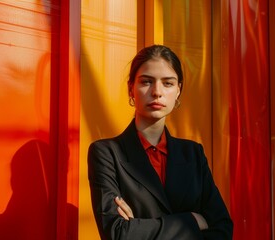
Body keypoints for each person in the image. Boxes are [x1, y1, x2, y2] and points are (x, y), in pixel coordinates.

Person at [88, 44, 233, 239]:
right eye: (146, 82)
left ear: (178, 91)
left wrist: (138, 228)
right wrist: (192, 220)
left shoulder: (193, 154)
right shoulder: (107, 153)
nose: (157, 92)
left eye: (168, 83)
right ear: (131, 88)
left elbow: (222, 229)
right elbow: (117, 233)